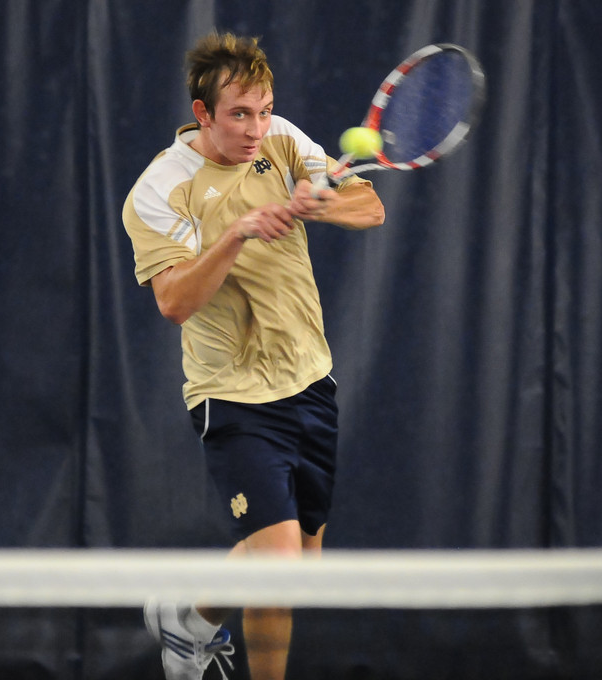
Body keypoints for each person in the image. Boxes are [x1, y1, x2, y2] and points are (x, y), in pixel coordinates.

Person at [121, 30, 385, 680]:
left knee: (296, 573)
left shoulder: (284, 141)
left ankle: (189, 613)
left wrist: (321, 202)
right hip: (232, 394)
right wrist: (235, 234)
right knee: (278, 562)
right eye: (240, 114)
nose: (256, 128)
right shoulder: (160, 190)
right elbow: (175, 301)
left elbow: (369, 206)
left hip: (309, 379)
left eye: (264, 111)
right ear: (202, 112)